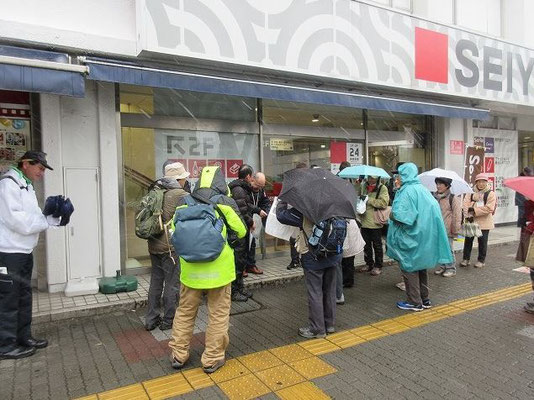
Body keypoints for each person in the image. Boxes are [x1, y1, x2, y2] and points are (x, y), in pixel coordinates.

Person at [168, 165, 246, 374]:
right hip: (219, 272)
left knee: (185, 311)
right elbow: (241, 230)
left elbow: (175, 232)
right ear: (220, 183)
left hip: (191, 271)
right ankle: (212, 358)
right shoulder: (225, 202)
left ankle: (178, 354)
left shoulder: (184, 202)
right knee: (218, 315)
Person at [0, 151, 61, 360]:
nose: (42, 173)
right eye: (40, 168)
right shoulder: (9, 184)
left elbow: (33, 216)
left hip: (23, 251)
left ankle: (23, 337)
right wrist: (46, 222)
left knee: (24, 296)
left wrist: (52, 216)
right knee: (8, 298)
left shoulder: (25, 185)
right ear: (26, 164)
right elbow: (16, 220)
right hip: (8, 253)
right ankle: (6, 345)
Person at [387, 163, 453, 311]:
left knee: (409, 269)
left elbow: (403, 217)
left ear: (404, 175)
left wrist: (391, 214)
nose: (396, 178)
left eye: (399, 175)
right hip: (423, 237)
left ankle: (414, 302)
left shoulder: (406, 191)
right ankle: (425, 299)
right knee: (421, 268)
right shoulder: (423, 190)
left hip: (409, 238)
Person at [276, 202, 340, 338]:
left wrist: (281, 202)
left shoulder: (306, 207)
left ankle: (317, 329)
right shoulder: (335, 205)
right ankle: (329, 324)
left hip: (313, 255)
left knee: (315, 293)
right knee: (329, 291)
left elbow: (282, 216)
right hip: (333, 254)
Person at [144, 162, 190, 331]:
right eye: (184, 178)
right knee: (172, 284)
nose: (185, 180)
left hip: (153, 243)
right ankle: (168, 320)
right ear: (178, 179)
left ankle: (151, 319)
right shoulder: (181, 194)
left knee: (156, 282)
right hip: (170, 247)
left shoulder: (155, 190)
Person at [228, 164, 255, 301]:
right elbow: (241, 210)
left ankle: (240, 287)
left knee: (241, 260)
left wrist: (256, 210)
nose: (253, 179)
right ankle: (234, 291)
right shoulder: (239, 189)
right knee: (238, 261)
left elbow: (246, 205)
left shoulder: (241, 188)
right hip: (238, 230)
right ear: (248, 176)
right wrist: (250, 221)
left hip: (241, 229)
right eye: (252, 176)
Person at [460, 173, 496, 269]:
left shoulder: (490, 193)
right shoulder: (470, 192)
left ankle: (481, 260)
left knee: (482, 242)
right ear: (476, 182)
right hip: (471, 221)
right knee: (468, 241)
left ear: (486, 182)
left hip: (485, 222)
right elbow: (465, 205)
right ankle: (466, 259)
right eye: (479, 181)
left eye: (483, 181)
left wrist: (475, 211)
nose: (481, 184)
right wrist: (468, 215)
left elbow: (489, 208)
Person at [358, 176, 389, 276]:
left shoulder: (382, 188)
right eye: (369, 177)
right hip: (364, 220)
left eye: (373, 178)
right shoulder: (363, 186)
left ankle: (378, 265)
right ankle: (368, 264)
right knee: (366, 245)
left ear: (378, 178)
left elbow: (384, 203)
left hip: (375, 222)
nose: (371, 180)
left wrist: (369, 200)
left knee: (377, 245)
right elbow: (358, 198)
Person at [433, 177, 462, 278]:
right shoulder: (434, 197)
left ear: (447, 186)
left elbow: (457, 215)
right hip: (437, 228)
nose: (438, 186)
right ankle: (443, 266)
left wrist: (455, 230)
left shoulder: (453, 198)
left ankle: (451, 268)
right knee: (439, 249)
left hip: (448, 228)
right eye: (437, 184)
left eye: (441, 184)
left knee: (448, 249)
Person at [245, 172, 271, 275]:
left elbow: (265, 202)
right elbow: (244, 204)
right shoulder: (244, 189)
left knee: (252, 243)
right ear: (252, 180)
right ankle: (242, 267)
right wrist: (257, 210)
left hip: (255, 219)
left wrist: (266, 211)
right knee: (243, 244)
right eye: (257, 186)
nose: (258, 189)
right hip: (245, 218)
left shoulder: (261, 190)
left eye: (261, 187)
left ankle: (251, 265)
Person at [287, 162, 307, 270]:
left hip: (302, 214)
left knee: (302, 236)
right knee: (294, 237)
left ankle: (299, 259)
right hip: (297, 213)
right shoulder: (293, 183)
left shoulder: (307, 183)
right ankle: (295, 260)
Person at [339, 219, 365, 295]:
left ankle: (347, 281)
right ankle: (348, 280)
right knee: (349, 260)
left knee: (346, 260)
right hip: (350, 234)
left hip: (347, 234)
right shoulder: (349, 214)